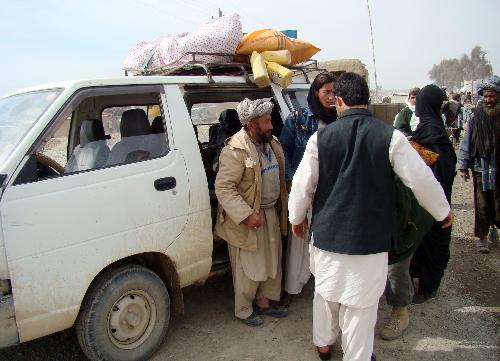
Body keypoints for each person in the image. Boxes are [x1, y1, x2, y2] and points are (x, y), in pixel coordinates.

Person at [288, 73, 453, 361]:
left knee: (326, 295)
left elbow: (303, 186)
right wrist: (443, 211)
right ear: (367, 99)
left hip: (327, 236)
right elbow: (421, 179)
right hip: (370, 240)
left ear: (339, 101)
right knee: (360, 307)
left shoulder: (320, 138)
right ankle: (357, 355)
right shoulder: (391, 137)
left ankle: (324, 345)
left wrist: (296, 218)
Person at [215, 98, 288, 326]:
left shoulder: (272, 143)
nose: (271, 125)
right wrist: (246, 215)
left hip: (270, 213)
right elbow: (224, 188)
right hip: (248, 218)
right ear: (250, 124)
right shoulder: (235, 150)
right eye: (266, 122)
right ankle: (244, 310)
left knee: (271, 261)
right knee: (249, 266)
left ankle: (264, 302)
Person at [279, 72, 337, 307]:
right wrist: (295, 181)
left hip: (331, 192)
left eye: (335, 92)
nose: (332, 97)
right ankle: (292, 289)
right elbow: (283, 151)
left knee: (328, 242)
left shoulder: (341, 119)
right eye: (327, 92)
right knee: (299, 242)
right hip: (305, 190)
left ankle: (326, 287)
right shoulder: (298, 118)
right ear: (315, 92)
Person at [409, 84, 458, 304]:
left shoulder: (434, 133)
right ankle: (420, 280)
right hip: (427, 201)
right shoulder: (429, 128)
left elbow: (443, 170)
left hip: (434, 201)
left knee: (433, 243)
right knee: (423, 242)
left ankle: (429, 287)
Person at [457, 75, 500, 253]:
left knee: (498, 203)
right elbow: (467, 141)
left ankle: (493, 229)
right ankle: (482, 237)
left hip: (498, 167)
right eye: (486, 96)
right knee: (482, 204)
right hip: (480, 166)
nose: (488, 100)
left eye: (492, 96)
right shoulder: (476, 116)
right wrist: (463, 165)